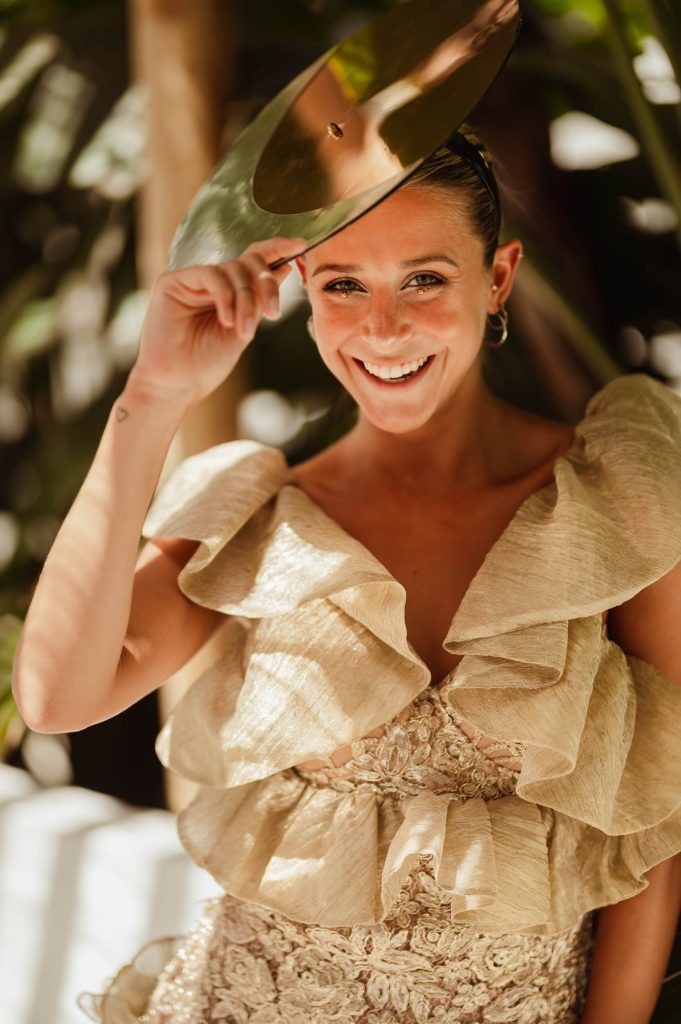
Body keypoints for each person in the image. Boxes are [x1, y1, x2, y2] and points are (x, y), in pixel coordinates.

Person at [12, 127, 681, 1024]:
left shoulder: (614, 502)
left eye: (423, 279)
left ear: (497, 277)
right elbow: (56, 698)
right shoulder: (258, 518)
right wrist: (152, 397)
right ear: (304, 292)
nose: (383, 327)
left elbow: (658, 822)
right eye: (342, 285)